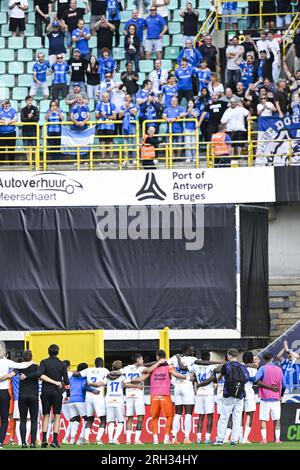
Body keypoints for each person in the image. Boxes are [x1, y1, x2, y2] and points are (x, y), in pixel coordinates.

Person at [133, 349, 193, 444]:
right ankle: (166, 439)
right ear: (165, 357)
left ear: (157, 357)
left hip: (154, 396)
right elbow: (177, 374)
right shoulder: (169, 367)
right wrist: (188, 377)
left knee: (154, 417)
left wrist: (131, 380)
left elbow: (141, 378)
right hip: (165, 396)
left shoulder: (152, 369)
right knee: (169, 417)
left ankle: (155, 439)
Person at [19, 344, 70, 448]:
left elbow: (38, 374)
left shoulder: (44, 362)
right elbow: (66, 381)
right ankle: (55, 440)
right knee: (57, 416)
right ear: (58, 352)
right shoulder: (62, 364)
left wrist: (27, 376)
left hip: (45, 392)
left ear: (48, 352)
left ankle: (44, 439)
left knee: (46, 415)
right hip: (57, 393)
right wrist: (68, 394)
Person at [0, 341, 35, 448]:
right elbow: (21, 365)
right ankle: (0, 442)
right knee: (5, 419)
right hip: (3, 393)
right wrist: (31, 362)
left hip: (5, 392)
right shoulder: (6, 362)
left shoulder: (6, 362)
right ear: (4, 351)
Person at [214, 348, 249, 445]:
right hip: (240, 394)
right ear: (237, 355)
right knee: (237, 418)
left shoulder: (227, 366)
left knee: (224, 417)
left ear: (229, 355)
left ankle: (220, 439)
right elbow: (246, 378)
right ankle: (234, 440)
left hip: (228, 394)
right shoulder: (243, 367)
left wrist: (218, 379)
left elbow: (221, 376)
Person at [73, 357, 109, 444]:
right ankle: (98, 439)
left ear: (95, 363)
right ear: (102, 363)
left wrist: (71, 372)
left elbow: (76, 374)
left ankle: (85, 439)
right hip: (98, 396)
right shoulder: (105, 370)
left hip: (88, 397)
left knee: (89, 419)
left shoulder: (88, 370)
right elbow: (106, 380)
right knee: (103, 419)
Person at [168, 345, 198, 444]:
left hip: (177, 387)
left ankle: (174, 437)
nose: (193, 352)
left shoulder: (174, 358)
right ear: (186, 350)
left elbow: (164, 363)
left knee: (178, 414)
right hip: (187, 386)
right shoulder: (192, 359)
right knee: (188, 413)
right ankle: (186, 438)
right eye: (192, 350)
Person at [253, 353, 284, 444]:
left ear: (263, 359)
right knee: (277, 419)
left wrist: (269, 387)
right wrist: (280, 395)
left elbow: (256, 380)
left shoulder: (263, 368)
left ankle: (264, 439)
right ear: (272, 358)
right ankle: (277, 439)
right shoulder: (279, 369)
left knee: (263, 419)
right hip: (276, 397)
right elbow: (284, 384)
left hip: (265, 398)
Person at [189, 351, 217, 444]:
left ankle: (198, 438)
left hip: (199, 393)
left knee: (200, 417)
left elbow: (186, 368)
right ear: (209, 358)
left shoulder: (195, 366)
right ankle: (207, 438)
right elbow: (214, 377)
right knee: (209, 416)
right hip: (208, 393)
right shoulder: (212, 366)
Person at [67, 362, 98, 445]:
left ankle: (72, 439)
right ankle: (80, 439)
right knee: (87, 419)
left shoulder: (72, 377)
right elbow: (84, 386)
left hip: (71, 401)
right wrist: (93, 390)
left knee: (76, 420)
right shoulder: (84, 377)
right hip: (80, 400)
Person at [241, 351, 258, 444]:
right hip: (249, 394)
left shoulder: (239, 367)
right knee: (249, 415)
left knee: (239, 415)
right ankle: (245, 438)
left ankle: (239, 437)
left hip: (239, 393)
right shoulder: (254, 369)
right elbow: (256, 380)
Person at [163, 96, 185, 163]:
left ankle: (178, 157)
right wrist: (167, 119)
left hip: (179, 129)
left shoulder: (181, 108)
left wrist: (175, 118)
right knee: (169, 144)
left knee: (179, 144)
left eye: (175, 101)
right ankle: (172, 157)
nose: (174, 102)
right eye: (172, 101)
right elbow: (163, 115)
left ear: (177, 101)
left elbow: (183, 115)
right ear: (170, 102)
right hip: (169, 130)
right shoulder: (167, 109)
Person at [95, 92, 117, 162]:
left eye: (106, 97)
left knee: (110, 142)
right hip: (101, 126)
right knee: (102, 142)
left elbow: (114, 116)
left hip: (110, 126)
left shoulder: (112, 105)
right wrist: (101, 115)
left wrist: (107, 116)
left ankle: (111, 159)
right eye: (104, 97)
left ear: (109, 97)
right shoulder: (99, 105)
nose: (105, 98)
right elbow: (96, 116)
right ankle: (103, 159)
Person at [21, 96, 40, 160]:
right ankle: (28, 160)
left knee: (34, 145)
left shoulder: (35, 108)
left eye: (31, 100)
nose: (30, 102)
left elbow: (37, 119)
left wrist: (31, 117)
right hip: (25, 130)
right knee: (26, 146)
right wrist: (29, 117)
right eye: (28, 100)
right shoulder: (23, 109)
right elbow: (22, 119)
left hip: (34, 129)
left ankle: (35, 160)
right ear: (26, 101)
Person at [0, 99, 18, 164]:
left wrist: (8, 122)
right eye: (5, 104)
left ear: (9, 104)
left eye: (7, 103)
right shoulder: (0, 110)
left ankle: (12, 162)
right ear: (3, 104)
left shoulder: (13, 110)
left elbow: (15, 119)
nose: (6, 105)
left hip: (11, 132)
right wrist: (3, 121)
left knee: (11, 148)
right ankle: (1, 162)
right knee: (1, 149)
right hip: (1, 133)